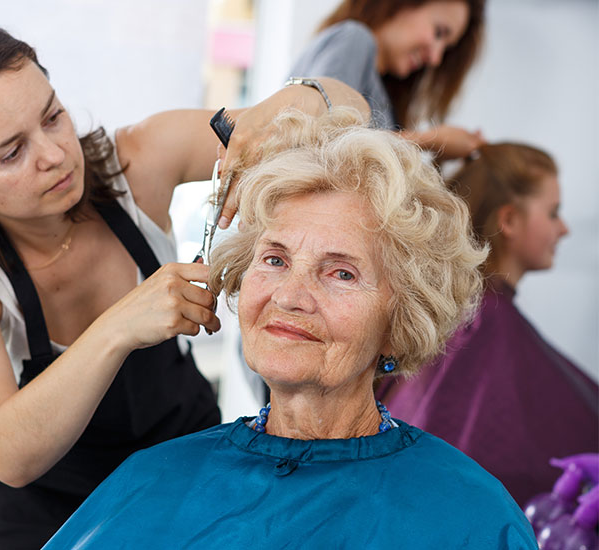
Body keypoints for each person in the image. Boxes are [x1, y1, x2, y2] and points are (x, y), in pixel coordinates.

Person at [0, 17, 367, 549]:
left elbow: (349, 109)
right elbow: (9, 455)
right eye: (10, 153)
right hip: (28, 507)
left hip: (170, 458)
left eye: (53, 117)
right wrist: (121, 325)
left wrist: (291, 103)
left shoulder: (139, 161)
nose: (53, 155)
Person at [42, 108, 538, 549]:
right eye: (275, 260)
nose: (289, 297)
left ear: (400, 320)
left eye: (341, 272)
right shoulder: (152, 481)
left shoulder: (471, 518)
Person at [377, 143, 599, 507]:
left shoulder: (466, 315)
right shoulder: (480, 325)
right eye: (553, 213)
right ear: (509, 220)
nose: (564, 229)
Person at [289, 0, 486, 160]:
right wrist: (429, 140)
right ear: (399, 5)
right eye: (439, 32)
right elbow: (321, 145)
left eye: (446, 47)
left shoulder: (384, 94)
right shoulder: (354, 39)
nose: (436, 58)